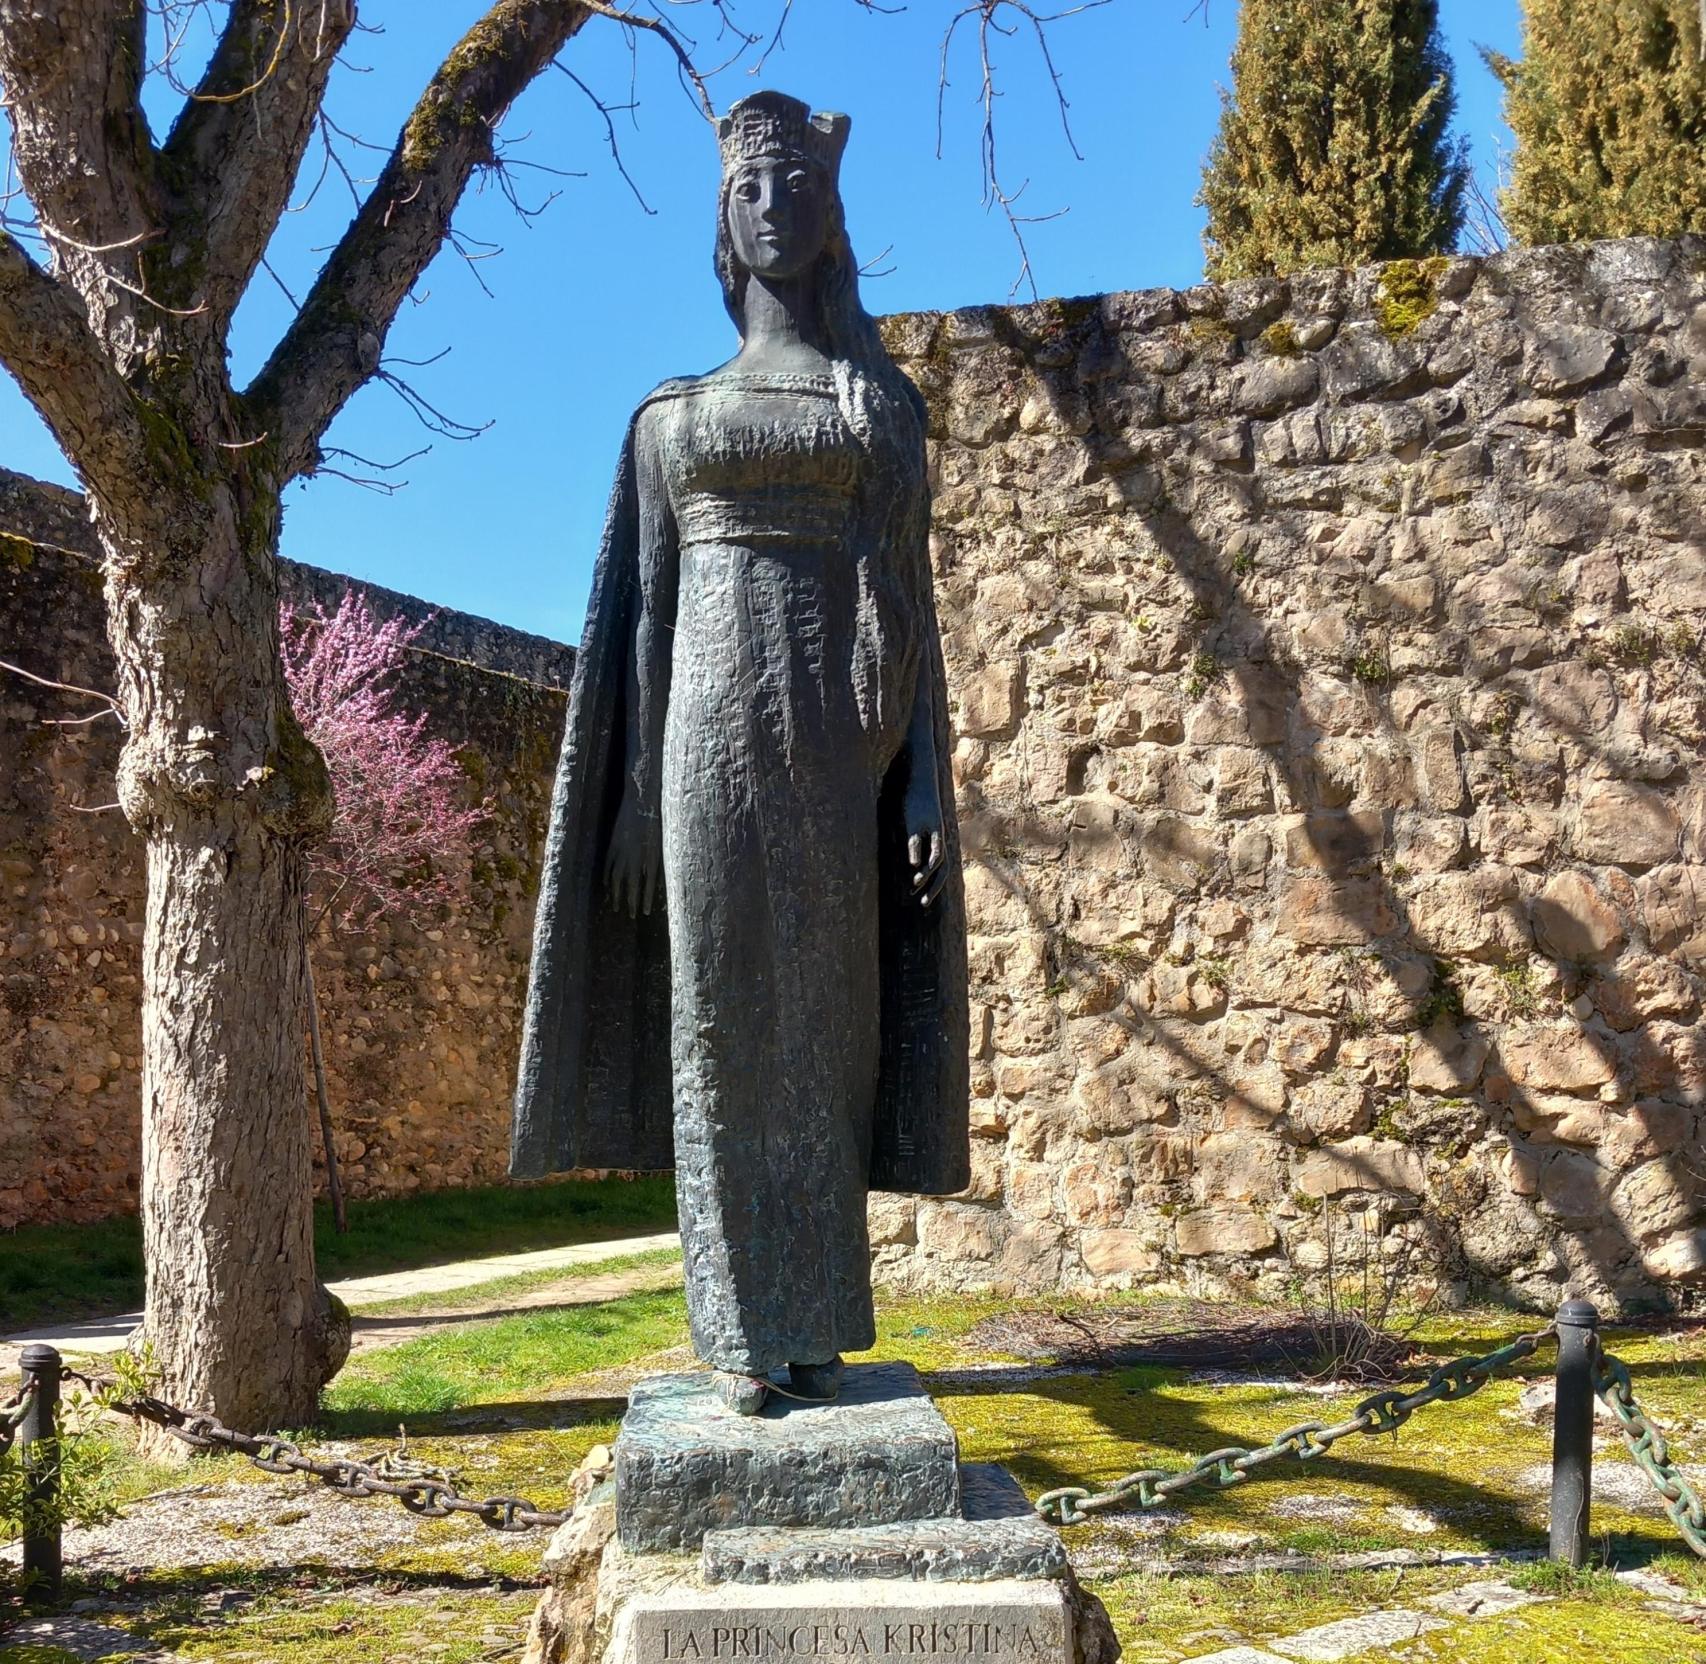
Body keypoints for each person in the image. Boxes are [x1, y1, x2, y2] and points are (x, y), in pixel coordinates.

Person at [511, 91, 968, 1414]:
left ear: (831, 220)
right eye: (750, 189)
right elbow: (644, 619)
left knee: (825, 1030)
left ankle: (814, 1317)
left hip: (838, 743)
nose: (774, 207)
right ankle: (734, 1330)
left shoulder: (874, 403)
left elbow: (912, 597)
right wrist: (640, 802)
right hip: (703, 743)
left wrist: (923, 778)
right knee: (718, 1026)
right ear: (726, 215)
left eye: (797, 189)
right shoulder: (671, 419)